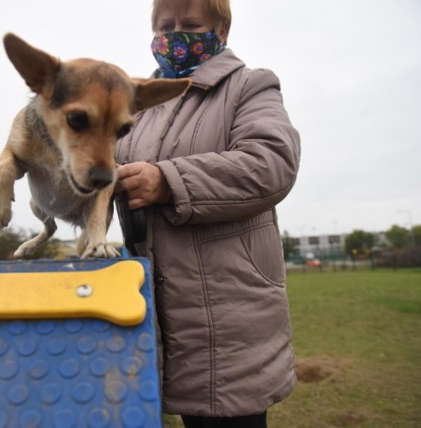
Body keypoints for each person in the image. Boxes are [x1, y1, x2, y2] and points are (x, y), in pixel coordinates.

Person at [115, 0, 301, 426]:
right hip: (154, 313)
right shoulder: (137, 104)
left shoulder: (250, 86)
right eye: (165, 25)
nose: (175, 33)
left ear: (221, 28)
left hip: (228, 314)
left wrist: (166, 181)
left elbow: (270, 163)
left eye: (191, 23)